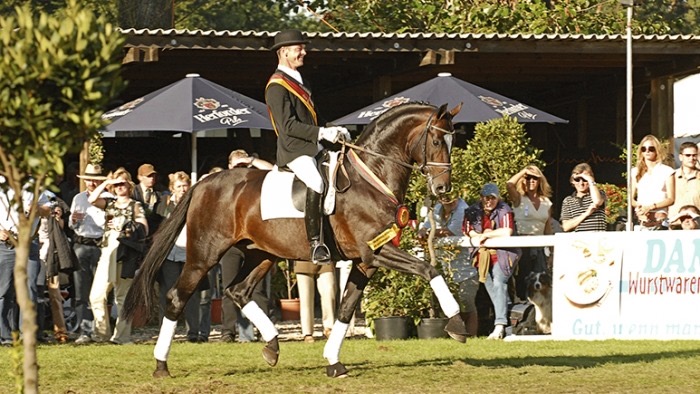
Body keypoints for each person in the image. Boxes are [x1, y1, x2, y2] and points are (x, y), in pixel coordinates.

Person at [265, 29, 351, 264]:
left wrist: (335, 128)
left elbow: (312, 117)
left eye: (303, 47)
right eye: (298, 48)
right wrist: (322, 133)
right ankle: (316, 243)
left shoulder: (301, 80)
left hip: (312, 145)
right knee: (316, 181)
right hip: (294, 149)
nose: (304, 52)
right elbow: (288, 126)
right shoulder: (276, 86)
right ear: (284, 52)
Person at [88, 167, 148, 344]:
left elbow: (143, 227)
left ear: (129, 185)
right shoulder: (109, 203)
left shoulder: (135, 205)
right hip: (107, 252)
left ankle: (122, 336)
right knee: (96, 296)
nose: (120, 186)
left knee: (122, 297)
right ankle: (101, 333)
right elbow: (91, 199)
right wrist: (107, 182)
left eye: (123, 183)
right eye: (117, 183)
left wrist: (125, 225)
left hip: (125, 252)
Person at [219, 150, 273, 343]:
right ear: (229, 166)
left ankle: (263, 329)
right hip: (231, 243)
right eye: (237, 166)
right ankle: (228, 332)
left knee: (257, 289)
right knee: (229, 287)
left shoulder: (256, 181)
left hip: (255, 243)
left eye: (244, 167)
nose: (240, 170)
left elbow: (273, 170)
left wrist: (251, 161)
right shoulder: (223, 182)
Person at [417, 195, 479, 337]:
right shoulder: (437, 208)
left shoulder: (463, 210)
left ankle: (472, 336)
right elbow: (427, 225)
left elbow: (450, 232)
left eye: (450, 198)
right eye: (444, 198)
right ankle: (456, 334)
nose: (448, 201)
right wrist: (422, 231)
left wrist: (429, 233)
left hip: (465, 268)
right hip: (444, 266)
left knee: (467, 304)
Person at [0, 176, 51, 346]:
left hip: (29, 243)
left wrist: (37, 209)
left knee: (30, 289)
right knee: (4, 291)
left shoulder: (33, 183)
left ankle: (27, 334)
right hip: (5, 243)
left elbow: (48, 209)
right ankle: (5, 336)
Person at [156, 171, 206, 343]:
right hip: (169, 255)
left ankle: (193, 333)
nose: (183, 189)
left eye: (185, 185)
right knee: (169, 293)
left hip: (190, 255)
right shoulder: (165, 204)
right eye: (179, 186)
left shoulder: (196, 204)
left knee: (190, 293)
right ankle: (166, 332)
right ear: (172, 189)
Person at [70, 163, 109, 344]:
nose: (91, 183)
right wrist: (73, 220)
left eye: (95, 180)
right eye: (89, 180)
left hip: (101, 244)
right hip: (81, 244)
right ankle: (84, 330)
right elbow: (73, 225)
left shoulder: (107, 198)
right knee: (81, 290)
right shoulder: (78, 198)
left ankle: (99, 329)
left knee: (99, 291)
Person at [506, 165, 553, 301]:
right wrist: (523, 172)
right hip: (522, 246)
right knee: (523, 281)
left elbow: (548, 228)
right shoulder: (519, 199)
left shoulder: (546, 202)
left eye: (535, 178)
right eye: (528, 178)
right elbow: (509, 185)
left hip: (539, 247)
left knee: (540, 282)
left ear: (540, 181)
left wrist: (551, 253)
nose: (531, 180)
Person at [630, 135, 675, 230]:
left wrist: (651, 207)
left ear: (657, 150)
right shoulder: (635, 171)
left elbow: (671, 199)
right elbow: (630, 198)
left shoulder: (667, 171)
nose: (647, 151)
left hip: (659, 218)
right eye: (643, 148)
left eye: (651, 148)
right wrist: (640, 207)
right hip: (641, 218)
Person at [294, 260, 336, 343]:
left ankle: (329, 327)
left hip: (325, 257)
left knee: (329, 291)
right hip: (302, 258)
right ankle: (307, 332)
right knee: (305, 297)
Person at [560, 163, 607, 232]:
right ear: (572, 181)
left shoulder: (599, 194)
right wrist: (587, 213)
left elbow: (597, 201)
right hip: (578, 241)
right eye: (577, 179)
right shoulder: (568, 201)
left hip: (598, 240)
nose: (581, 183)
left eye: (584, 180)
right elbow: (565, 227)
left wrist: (590, 180)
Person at [669, 142, 700, 221]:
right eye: (688, 155)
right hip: (675, 224)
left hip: (696, 224)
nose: (691, 158)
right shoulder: (671, 176)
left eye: (694, 155)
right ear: (680, 157)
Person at [132, 163, 164, 234]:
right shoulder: (132, 192)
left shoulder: (158, 194)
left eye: (153, 176)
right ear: (140, 177)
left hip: (153, 232)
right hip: (135, 232)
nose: (152, 178)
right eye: (148, 176)